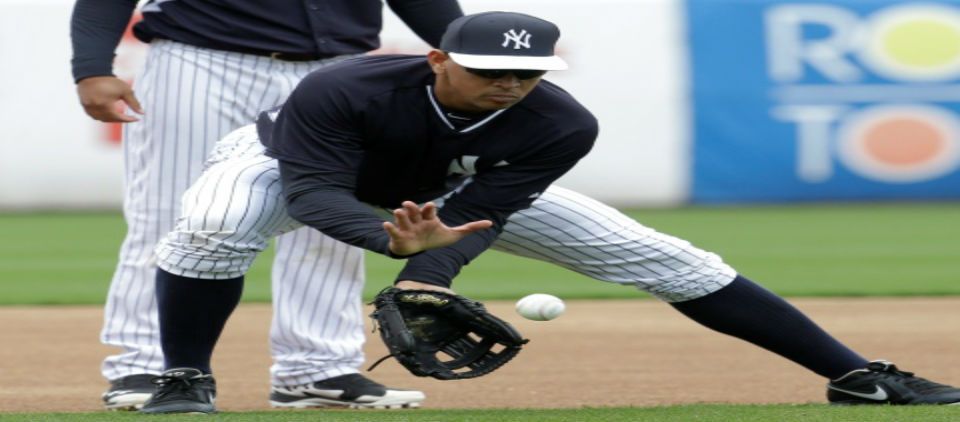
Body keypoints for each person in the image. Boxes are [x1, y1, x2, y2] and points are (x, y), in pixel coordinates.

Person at [141, 11, 960, 414]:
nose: (508, 83)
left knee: (671, 260)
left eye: (524, 72)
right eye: (489, 68)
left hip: (447, 198)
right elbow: (314, 191)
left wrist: (426, 274)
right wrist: (387, 239)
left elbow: (487, 209)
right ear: (437, 59)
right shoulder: (345, 86)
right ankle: (184, 375)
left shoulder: (560, 122)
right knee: (212, 224)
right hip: (291, 165)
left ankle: (855, 376)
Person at [70, 0, 464, 411]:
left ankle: (318, 367)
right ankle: (148, 367)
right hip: (201, 61)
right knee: (173, 217)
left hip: (340, 68)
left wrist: (471, 50)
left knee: (336, 220)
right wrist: (92, 66)